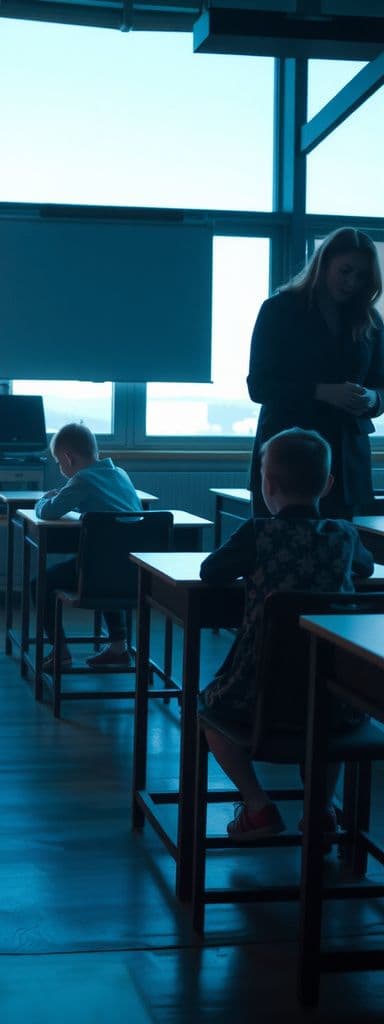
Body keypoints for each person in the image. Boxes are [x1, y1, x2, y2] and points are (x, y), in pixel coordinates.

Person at [200, 427, 374, 841]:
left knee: (206, 713)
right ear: (328, 484)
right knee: (325, 731)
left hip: (259, 692)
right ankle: (319, 810)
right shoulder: (344, 535)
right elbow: (365, 569)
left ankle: (258, 807)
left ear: (267, 484)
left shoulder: (258, 533)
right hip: (336, 693)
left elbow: (211, 572)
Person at [247, 226, 384, 519]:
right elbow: (259, 386)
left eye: (361, 276)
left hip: (347, 462)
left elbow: (381, 387)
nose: (352, 282)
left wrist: (371, 398)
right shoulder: (279, 310)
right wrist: (322, 392)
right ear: (324, 264)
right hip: (289, 458)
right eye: (345, 271)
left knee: (346, 556)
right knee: (277, 553)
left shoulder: (369, 320)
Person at [34, 422, 142, 671]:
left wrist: (44, 499)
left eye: (59, 463)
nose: (61, 468)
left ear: (68, 458)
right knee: (105, 567)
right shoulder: (120, 474)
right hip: (134, 573)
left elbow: (50, 512)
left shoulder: (82, 479)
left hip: (99, 574)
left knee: (41, 583)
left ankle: (59, 651)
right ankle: (118, 648)